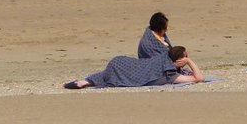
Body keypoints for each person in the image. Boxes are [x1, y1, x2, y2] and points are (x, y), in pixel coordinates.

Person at [63, 45, 204, 89]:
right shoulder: (171, 74)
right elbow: (199, 78)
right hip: (126, 69)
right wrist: (190, 62)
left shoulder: (163, 57)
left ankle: (82, 82)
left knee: (105, 75)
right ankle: (83, 82)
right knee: (110, 77)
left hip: (121, 61)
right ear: (180, 60)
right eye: (186, 56)